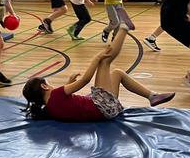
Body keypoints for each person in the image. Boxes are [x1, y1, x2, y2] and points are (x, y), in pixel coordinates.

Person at [22, 25, 175, 122]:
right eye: (48, 83)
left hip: (106, 111)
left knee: (117, 73)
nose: (51, 85)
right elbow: (85, 81)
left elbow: (65, 101)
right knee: (104, 61)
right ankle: (124, 28)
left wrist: (68, 82)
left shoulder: (50, 108)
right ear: (44, 86)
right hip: (102, 106)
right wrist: (96, 58)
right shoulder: (56, 95)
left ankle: (152, 96)